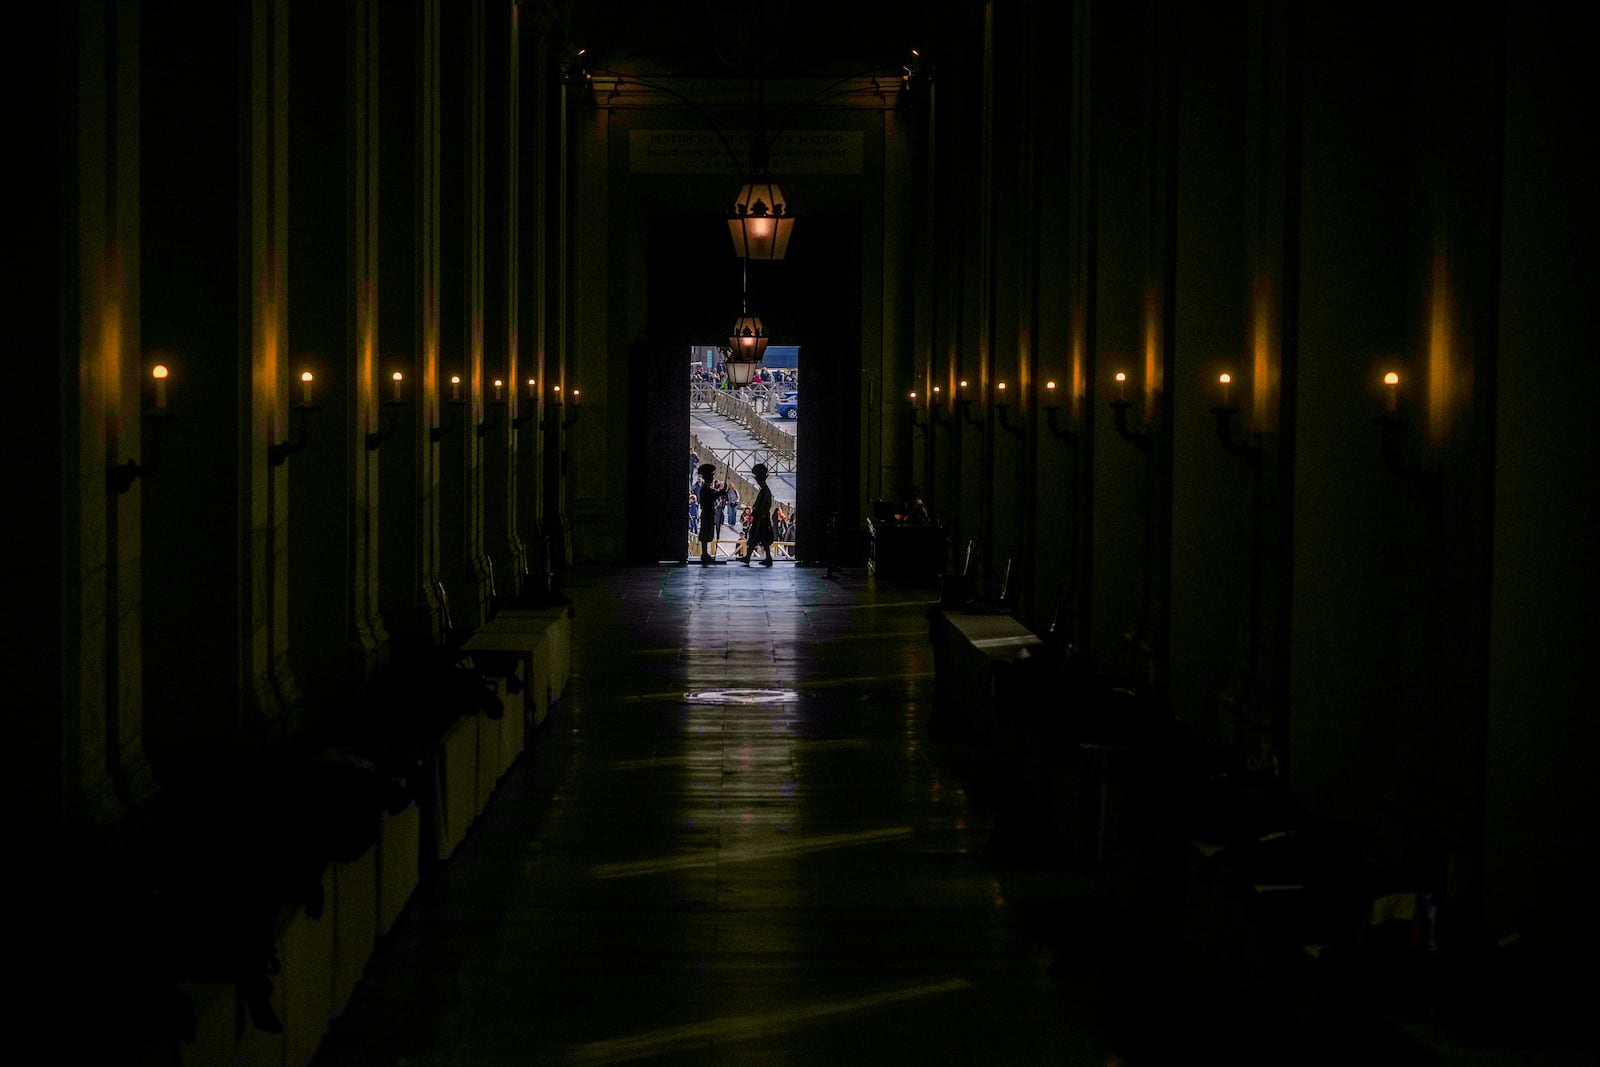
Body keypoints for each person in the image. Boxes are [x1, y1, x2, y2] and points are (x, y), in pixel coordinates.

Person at [695, 464, 728, 564]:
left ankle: (705, 553)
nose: (712, 478)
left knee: (707, 534)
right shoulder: (705, 489)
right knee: (705, 534)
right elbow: (713, 495)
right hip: (707, 514)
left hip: (708, 513)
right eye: (711, 477)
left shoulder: (706, 488)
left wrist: (721, 491)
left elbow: (714, 493)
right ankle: (704, 554)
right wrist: (721, 491)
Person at [745, 462, 776, 566]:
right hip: (761, 518)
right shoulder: (765, 490)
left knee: (757, 538)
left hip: (762, 519)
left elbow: (763, 507)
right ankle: (766, 558)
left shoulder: (765, 491)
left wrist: (756, 514)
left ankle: (748, 558)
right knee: (761, 539)